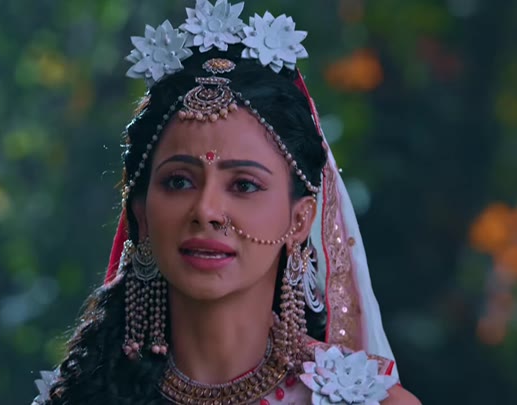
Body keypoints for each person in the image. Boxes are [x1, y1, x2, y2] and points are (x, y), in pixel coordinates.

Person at [32, 1, 420, 403]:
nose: (206, 211)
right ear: (141, 214)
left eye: (244, 185)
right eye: (179, 181)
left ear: (299, 220)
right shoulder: (81, 397)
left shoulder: (367, 401)